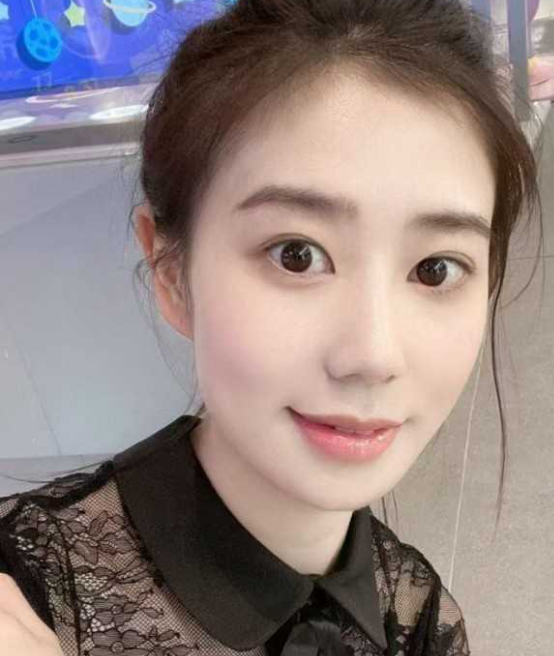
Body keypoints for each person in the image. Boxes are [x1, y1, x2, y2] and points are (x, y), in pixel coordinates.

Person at [0, 1, 544, 655]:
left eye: (435, 269)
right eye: (297, 255)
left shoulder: (417, 613)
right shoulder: (30, 589)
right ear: (171, 270)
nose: (373, 354)